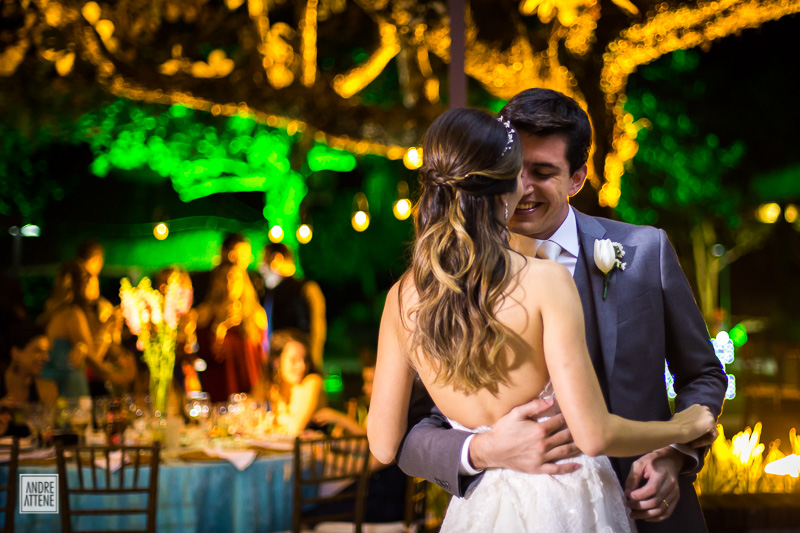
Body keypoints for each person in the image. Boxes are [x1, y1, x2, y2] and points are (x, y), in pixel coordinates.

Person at [367, 107, 719, 532]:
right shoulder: (545, 282)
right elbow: (405, 436)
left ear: (577, 178)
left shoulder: (403, 296)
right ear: (504, 187)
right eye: (520, 171)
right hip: (571, 505)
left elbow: (379, 444)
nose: (528, 186)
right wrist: (482, 449)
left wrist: (675, 450)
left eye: (543, 171)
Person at [38, 262, 114, 398]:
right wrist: (107, 333)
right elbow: (94, 359)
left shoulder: (52, 311)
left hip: (53, 387)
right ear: (82, 285)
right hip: (69, 389)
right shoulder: (72, 314)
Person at [196, 263, 266, 402]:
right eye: (224, 278)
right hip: (218, 389)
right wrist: (219, 326)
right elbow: (205, 356)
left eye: (235, 278)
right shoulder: (205, 314)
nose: (229, 283)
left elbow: (262, 357)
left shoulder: (255, 314)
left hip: (249, 391)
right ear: (215, 282)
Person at [258, 243, 326, 371]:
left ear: (276, 260)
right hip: (279, 369)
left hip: (299, 370)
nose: (261, 269)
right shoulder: (271, 294)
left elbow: (316, 333)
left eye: (263, 262)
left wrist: (311, 367)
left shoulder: (306, 289)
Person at [0, 322, 58, 436]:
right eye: (38, 351)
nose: (46, 357)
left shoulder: (46, 389)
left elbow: (49, 436)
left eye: (46, 352)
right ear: (16, 353)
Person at [265, 329, 324, 436]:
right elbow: (251, 412)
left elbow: (294, 428)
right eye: (294, 360)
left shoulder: (312, 381)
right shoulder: (271, 385)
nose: (302, 366)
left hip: (312, 452)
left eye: (305, 359)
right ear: (276, 362)